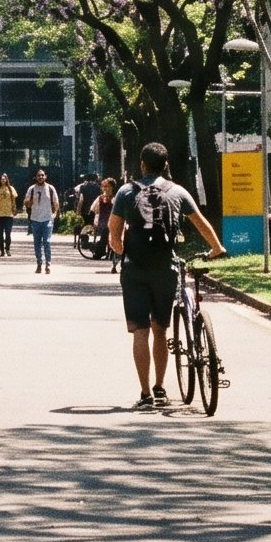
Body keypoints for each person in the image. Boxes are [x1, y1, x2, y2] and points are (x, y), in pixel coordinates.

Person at [107, 144, 227, 409]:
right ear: (166, 165)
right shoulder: (178, 192)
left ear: (142, 164)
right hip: (166, 268)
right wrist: (216, 248)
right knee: (160, 329)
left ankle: (145, 394)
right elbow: (202, 223)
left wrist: (120, 249)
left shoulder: (126, 192)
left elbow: (113, 232)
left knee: (141, 331)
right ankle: (161, 389)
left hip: (135, 269)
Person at [22, 168, 61, 274]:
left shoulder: (51, 188)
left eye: (42, 175)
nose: (41, 177)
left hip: (47, 219)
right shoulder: (32, 189)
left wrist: (54, 215)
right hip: (35, 219)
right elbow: (26, 203)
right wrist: (30, 202)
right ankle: (39, 263)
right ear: (36, 177)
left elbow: (56, 203)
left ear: (46, 176)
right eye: (39, 175)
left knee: (47, 242)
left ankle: (48, 264)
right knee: (37, 243)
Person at [0, 174, 20, 256]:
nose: (3, 180)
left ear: (7, 179)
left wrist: (14, 208)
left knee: (8, 233)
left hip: (8, 214)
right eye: (1, 179)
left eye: (4, 179)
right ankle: (2, 251)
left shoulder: (11, 189)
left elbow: (14, 199)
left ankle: (8, 249)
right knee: (0, 234)